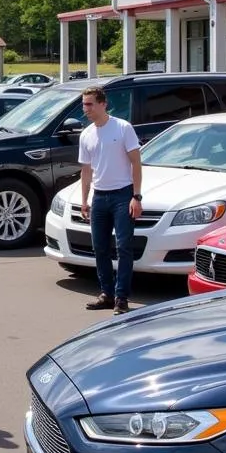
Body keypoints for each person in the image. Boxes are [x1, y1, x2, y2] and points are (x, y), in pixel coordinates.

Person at [78, 86, 143, 314]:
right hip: (99, 197)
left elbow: (136, 162)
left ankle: (121, 298)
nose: (85, 108)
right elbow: (86, 171)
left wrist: (136, 196)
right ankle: (106, 293)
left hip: (122, 195)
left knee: (124, 247)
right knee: (100, 248)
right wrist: (84, 200)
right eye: (84, 104)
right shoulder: (86, 134)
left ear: (103, 104)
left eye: (89, 104)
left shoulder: (122, 128)